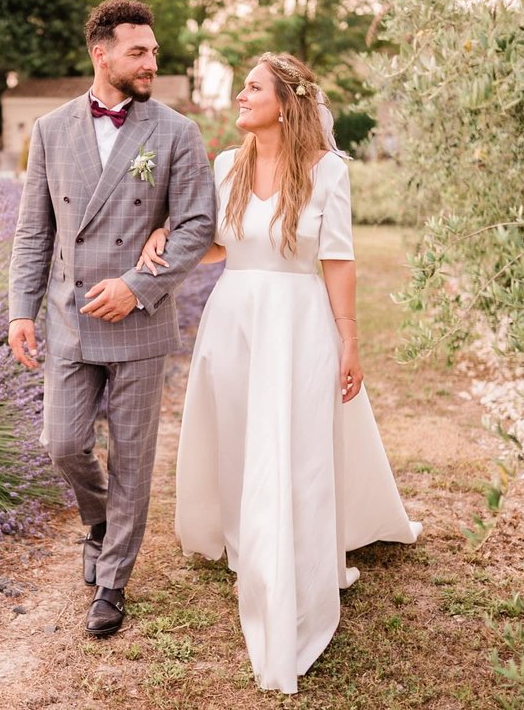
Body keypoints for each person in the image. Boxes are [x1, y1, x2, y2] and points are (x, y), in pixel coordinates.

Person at [137, 52, 421, 693]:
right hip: (234, 319)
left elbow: (339, 261)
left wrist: (350, 340)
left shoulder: (327, 173)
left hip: (297, 324)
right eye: (242, 85)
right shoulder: (227, 165)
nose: (241, 95)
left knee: (293, 448)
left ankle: (294, 558)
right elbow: (220, 242)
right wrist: (162, 235)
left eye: (253, 87)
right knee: (240, 435)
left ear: (286, 103)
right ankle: (245, 539)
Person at [7, 0, 216, 638]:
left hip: (139, 319)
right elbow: (33, 232)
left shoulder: (176, 132)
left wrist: (135, 285)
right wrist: (22, 310)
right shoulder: (50, 129)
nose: (151, 61)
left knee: (132, 455)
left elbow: (197, 225)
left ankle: (112, 581)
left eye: (154, 51)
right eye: (138, 51)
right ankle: (98, 520)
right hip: (71, 319)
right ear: (102, 55)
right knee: (63, 443)